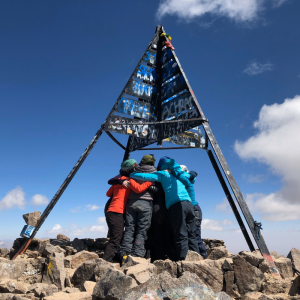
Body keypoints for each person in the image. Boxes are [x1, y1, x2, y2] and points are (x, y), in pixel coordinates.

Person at [130, 156, 200, 261]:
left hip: (176, 205)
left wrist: (132, 174)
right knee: (192, 234)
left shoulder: (163, 174)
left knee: (181, 234)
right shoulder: (181, 173)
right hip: (189, 204)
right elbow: (192, 178)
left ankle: (184, 262)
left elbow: (145, 176)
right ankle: (197, 259)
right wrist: (193, 173)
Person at [103, 159, 153, 262]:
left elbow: (108, 194)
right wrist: (149, 182)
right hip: (118, 211)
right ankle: (105, 261)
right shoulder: (129, 180)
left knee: (118, 235)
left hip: (110, 210)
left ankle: (117, 257)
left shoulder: (119, 180)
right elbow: (138, 189)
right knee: (116, 238)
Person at [118, 154, 157, 263]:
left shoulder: (134, 169)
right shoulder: (154, 171)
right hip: (146, 202)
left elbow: (122, 171)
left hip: (131, 202)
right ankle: (137, 255)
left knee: (129, 228)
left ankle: (124, 254)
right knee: (142, 230)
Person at [171, 164, 207, 258]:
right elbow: (192, 174)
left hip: (192, 208)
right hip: (194, 208)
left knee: (194, 235)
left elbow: (187, 175)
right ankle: (200, 256)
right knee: (194, 235)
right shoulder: (188, 178)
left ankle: (201, 256)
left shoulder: (183, 179)